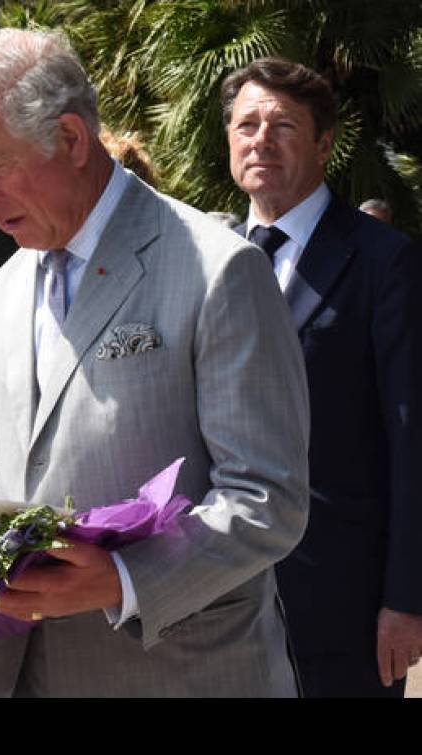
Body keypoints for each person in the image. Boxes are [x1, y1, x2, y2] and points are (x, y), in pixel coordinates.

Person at [0, 28, 310, 696]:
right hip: (24, 673)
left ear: (73, 140)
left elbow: (268, 498)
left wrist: (125, 579)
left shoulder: (219, 268)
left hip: (183, 674)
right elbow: (25, 475)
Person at [224, 57, 422, 696]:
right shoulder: (205, 256)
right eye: (246, 123)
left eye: (282, 125)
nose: (261, 138)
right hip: (215, 599)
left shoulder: (384, 262)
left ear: (325, 143)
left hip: (345, 605)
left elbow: (412, 439)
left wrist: (408, 600)